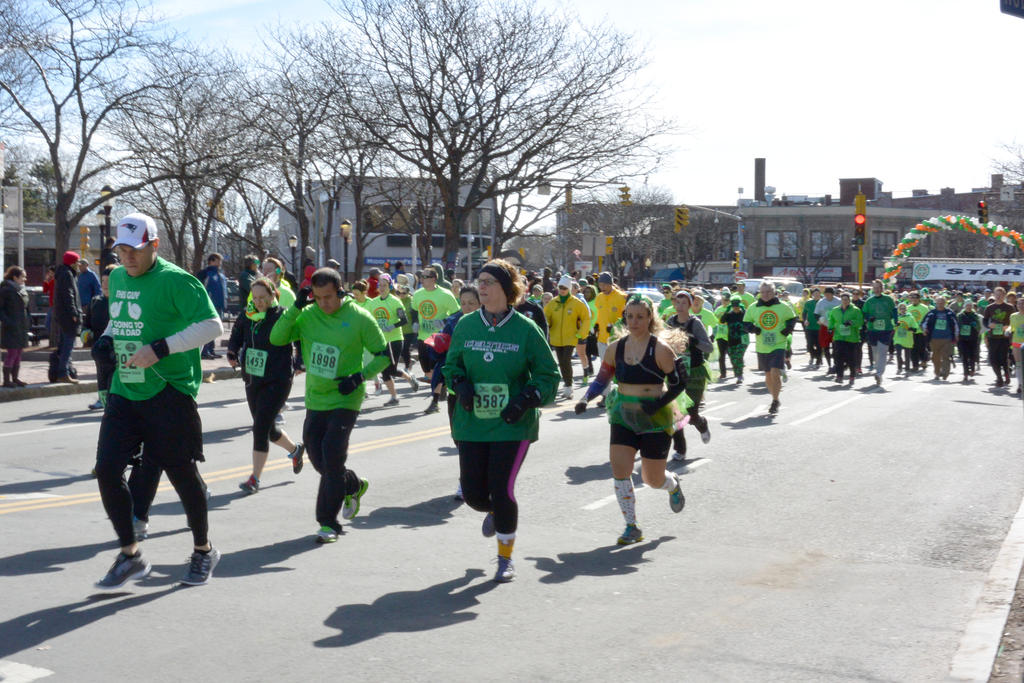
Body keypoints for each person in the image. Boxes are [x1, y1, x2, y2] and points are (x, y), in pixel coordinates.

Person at [93, 212, 224, 589]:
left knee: (182, 474)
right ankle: (131, 554)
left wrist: (161, 348)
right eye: (122, 250)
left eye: (135, 250)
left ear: (154, 245)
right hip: (126, 388)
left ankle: (203, 550)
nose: (128, 258)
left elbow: (212, 326)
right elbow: (120, 320)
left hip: (170, 391)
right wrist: (106, 337)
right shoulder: (117, 277)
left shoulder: (176, 281)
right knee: (106, 470)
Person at [442, 259, 559, 582]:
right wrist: (460, 384)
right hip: (472, 423)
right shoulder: (466, 325)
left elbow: (550, 375)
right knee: (473, 495)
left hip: (513, 423)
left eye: (489, 282)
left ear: (508, 291)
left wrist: (526, 400)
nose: (481, 287)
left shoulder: (526, 329)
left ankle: (505, 558)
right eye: (479, 281)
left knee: (502, 488)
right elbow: (451, 367)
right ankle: (492, 510)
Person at [270, 268, 390, 543]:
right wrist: (296, 307)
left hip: (346, 396)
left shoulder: (359, 317)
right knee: (318, 457)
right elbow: (277, 338)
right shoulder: (307, 314)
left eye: (329, 297)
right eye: (318, 297)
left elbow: (384, 356)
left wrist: (359, 376)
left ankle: (328, 523)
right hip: (316, 397)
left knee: (332, 454)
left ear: (340, 292)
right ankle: (352, 485)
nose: (324, 303)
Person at [574, 296, 688, 546]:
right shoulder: (616, 347)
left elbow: (680, 383)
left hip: (655, 419)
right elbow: (602, 378)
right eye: (630, 316)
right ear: (625, 317)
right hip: (623, 415)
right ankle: (631, 526)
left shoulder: (660, 349)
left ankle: (671, 484)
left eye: (640, 316)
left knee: (651, 479)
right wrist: (585, 398)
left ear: (650, 318)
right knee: (620, 471)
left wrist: (658, 403)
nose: (634, 321)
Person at [227, 277, 304, 494]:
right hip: (253, 377)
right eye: (255, 298)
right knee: (267, 429)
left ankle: (255, 479)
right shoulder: (248, 313)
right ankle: (296, 450)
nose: (259, 302)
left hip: (278, 378)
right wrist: (232, 352)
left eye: (263, 298)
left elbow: (298, 338)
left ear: (272, 295)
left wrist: (300, 360)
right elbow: (237, 335)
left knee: (260, 427)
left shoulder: (283, 315)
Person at [664, 289, 713, 458]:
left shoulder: (695, 323)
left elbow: (709, 347)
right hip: (676, 371)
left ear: (690, 305)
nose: (680, 306)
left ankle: (701, 423)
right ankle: (680, 449)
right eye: (677, 302)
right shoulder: (670, 321)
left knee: (690, 412)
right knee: (676, 412)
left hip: (695, 371)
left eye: (684, 303)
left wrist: (693, 341)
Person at [744, 281, 797, 414]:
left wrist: (788, 329)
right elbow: (746, 322)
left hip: (778, 344)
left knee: (774, 372)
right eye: (763, 292)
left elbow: (792, 318)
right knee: (767, 374)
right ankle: (775, 398)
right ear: (759, 293)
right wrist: (753, 329)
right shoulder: (754, 307)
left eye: (768, 292)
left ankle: (775, 399)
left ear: (774, 292)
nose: (766, 295)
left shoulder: (782, 306)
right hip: (762, 345)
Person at [367, 273, 419, 406]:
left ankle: (409, 377)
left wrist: (392, 326)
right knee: (385, 371)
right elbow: (369, 320)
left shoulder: (395, 301)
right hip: (381, 341)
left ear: (390, 286)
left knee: (390, 369)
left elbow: (404, 320)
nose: (382, 287)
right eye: (380, 285)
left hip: (395, 339)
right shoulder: (374, 303)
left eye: (385, 285)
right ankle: (394, 397)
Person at [544, 273, 592, 400]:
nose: (562, 290)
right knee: (561, 362)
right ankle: (567, 384)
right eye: (560, 287)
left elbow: (586, 318)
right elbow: (545, 317)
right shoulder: (553, 303)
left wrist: (581, 333)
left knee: (566, 360)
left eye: (565, 288)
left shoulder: (576, 303)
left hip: (571, 337)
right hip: (556, 338)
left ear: (569, 289)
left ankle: (568, 386)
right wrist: (547, 325)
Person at [411, 266, 460, 379]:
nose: (422, 279)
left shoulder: (445, 294)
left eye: (425, 277)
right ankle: (438, 386)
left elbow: (457, 313)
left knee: (436, 368)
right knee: (426, 370)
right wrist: (415, 322)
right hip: (422, 336)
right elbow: (414, 310)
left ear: (433, 279)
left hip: (438, 338)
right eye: (421, 277)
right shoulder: (418, 294)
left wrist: (444, 321)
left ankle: (437, 391)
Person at [82, 265, 115, 409]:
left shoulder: (122, 301)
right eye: (103, 281)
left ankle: (115, 401)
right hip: (99, 346)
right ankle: (103, 400)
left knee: (115, 375)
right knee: (101, 374)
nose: (105, 285)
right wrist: (85, 332)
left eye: (110, 281)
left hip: (117, 347)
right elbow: (87, 323)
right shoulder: (96, 301)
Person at [53, 251, 83, 383]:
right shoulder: (67, 274)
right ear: (72, 263)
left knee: (64, 344)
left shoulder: (63, 273)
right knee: (68, 346)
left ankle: (65, 370)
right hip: (68, 316)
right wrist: (74, 313)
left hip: (62, 315)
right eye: (77, 262)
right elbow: (69, 295)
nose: (78, 264)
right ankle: (63, 373)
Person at [861, 279, 897, 386]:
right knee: (875, 352)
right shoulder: (869, 301)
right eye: (874, 288)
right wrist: (868, 318)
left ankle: (879, 373)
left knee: (882, 352)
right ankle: (878, 369)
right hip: (873, 330)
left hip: (885, 329)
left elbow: (894, 311)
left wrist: (895, 321)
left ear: (882, 288)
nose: (876, 290)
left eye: (878, 288)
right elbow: (864, 313)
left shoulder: (888, 299)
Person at [0, 266, 30, 388]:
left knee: (18, 352)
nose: (25, 279)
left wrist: (29, 321)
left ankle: (15, 378)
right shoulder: (5, 290)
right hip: (11, 326)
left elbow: (26, 308)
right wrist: (7, 321)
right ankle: (6, 380)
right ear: (15, 277)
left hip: (21, 326)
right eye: (22, 276)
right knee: (12, 352)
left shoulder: (22, 290)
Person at [827, 292, 864, 386]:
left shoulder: (856, 310)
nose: (845, 301)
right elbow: (831, 319)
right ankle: (840, 376)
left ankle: (852, 376)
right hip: (839, 337)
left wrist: (852, 322)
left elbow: (860, 322)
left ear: (849, 300)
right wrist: (830, 328)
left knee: (851, 358)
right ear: (841, 300)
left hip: (852, 338)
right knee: (838, 357)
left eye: (846, 299)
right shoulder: (835, 310)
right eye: (843, 299)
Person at [983, 286, 1015, 388]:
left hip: (1004, 337)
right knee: (992, 359)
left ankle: (1006, 374)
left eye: (1000, 295)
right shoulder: (989, 307)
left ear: (1004, 295)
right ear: (994, 295)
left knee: (1002, 358)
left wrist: (1008, 327)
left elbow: (1014, 321)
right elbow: (985, 320)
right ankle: (999, 378)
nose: (998, 296)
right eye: (996, 294)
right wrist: (989, 325)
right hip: (993, 337)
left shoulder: (1009, 307)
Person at [921, 296, 959, 380]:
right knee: (935, 357)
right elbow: (924, 323)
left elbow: (956, 324)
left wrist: (956, 335)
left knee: (946, 356)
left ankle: (945, 373)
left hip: (947, 339)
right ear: (935, 303)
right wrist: (924, 330)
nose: (940, 304)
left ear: (945, 303)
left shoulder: (950, 313)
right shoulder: (931, 313)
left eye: (942, 303)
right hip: (934, 338)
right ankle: (937, 373)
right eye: (938, 303)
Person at [197, 253, 227, 359]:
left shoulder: (220, 274)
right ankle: (204, 351)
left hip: (219, 306)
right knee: (208, 328)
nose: (220, 263)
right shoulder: (204, 273)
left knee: (215, 329)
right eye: (218, 260)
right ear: (212, 261)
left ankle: (211, 350)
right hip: (208, 306)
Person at [814, 287, 840, 374]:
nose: (827, 296)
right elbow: (816, 313)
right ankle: (829, 365)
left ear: (833, 294)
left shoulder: (838, 301)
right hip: (825, 326)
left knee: (836, 347)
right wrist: (819, 319)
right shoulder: (821, 302)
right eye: (826, 294)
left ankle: (836, 365)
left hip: (836, 327)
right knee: (825, 347)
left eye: (829, 294)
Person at [956, 300, 983, 382]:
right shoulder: (960, 315)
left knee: (972, 355)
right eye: (967, 305)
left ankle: (972, 369)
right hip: (962, 338)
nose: (969, 307)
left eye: (970, 305)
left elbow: (979, 327)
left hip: (973, 338)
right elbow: (956, 326)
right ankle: (965, 373)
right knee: (964, 356)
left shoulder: (975, 315)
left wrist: (974, 324)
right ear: (964, 306)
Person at [906, 291, 932, 373]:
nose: (913, 299)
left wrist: (927, 329)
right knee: (913, 349)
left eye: (915, 297)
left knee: (921, 348)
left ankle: (924, 361)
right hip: (911, 331)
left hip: (921, 331)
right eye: (912, 297)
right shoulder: (908, 308)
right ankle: (915, 366)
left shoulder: (924, 308)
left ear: (919, 299)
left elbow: (928, 319)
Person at [893, 303, 919, 375]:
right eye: (900, 308)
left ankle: (907, 368)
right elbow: (892, 326)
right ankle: (899, 367)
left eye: (903, 308)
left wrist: (912, 329)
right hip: (898, 338)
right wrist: (895, 325)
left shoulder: (910, 317)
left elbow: (915, 327)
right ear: (898, 310)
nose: (902, 310)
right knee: (898, 354)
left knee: (907, 355)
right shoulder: (896, 318)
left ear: (906, 309)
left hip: (907, 339)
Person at [801, 288, 823, 367]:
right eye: (815, 293)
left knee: (819, 345)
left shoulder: (822, 303)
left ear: (820, 294)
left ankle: (818, 359)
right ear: (812, 294)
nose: (816, 295)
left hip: (819, 327)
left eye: (818, 293)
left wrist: (822, 321)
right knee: (809, 345)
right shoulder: (808, 303)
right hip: (809, 327)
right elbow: (804, 313)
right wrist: (805, 320)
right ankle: (813, 356)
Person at [1010, 297, 1024, 394]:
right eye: (1019, 304)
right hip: (1016, 342)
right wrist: (1007, 331)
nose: (1021, 306)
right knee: (1018, 364)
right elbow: (1012, 328)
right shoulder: (1013, 316)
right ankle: (1020, 384)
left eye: (1023, 304)